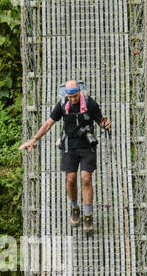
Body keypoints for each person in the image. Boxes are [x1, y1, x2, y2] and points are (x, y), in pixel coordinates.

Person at [20, 79, 111, 234]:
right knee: (70, 178)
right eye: (70, 97)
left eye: (75, 96)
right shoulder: (62, 104)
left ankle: (88, 215)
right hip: (69, 146)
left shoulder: (89, 103)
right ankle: (75, 207)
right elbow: (48, 124)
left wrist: (105, 125)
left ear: (79, 92)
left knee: (86, 178)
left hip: (87, 146)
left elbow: (100, 121)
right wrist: (34, 139)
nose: (73, 100)